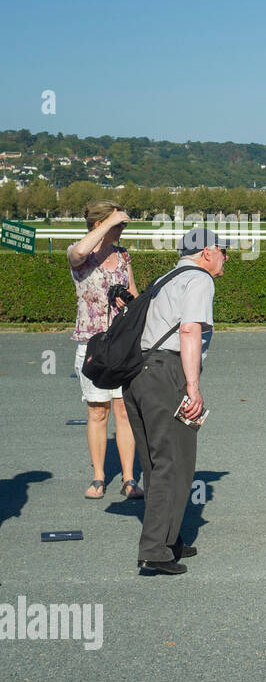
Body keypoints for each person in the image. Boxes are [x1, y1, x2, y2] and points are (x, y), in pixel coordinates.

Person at [122, 226, 226, 575]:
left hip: (138, 374)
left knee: (155, 463)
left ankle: (168, 538)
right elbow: (188, 330)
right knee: (175, 462)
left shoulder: (168, 276)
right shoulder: (199, 280)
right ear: (206, 253)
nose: (226, 257)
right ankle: (154, 549)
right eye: (223, 250)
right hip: (167, 373)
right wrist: (193, 386)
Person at [68, 201, 143, 499]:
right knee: (98, 411)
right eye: (119, 224)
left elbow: (135, 292)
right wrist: (106, 226)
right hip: (92, 345)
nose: (123, 229)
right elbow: (81, 252)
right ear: (101, 225)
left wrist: (131, 302)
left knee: (124, 411)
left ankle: (128, 478)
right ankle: (99, 477)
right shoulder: (78, 253)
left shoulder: (123, 255)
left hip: (122, 344)